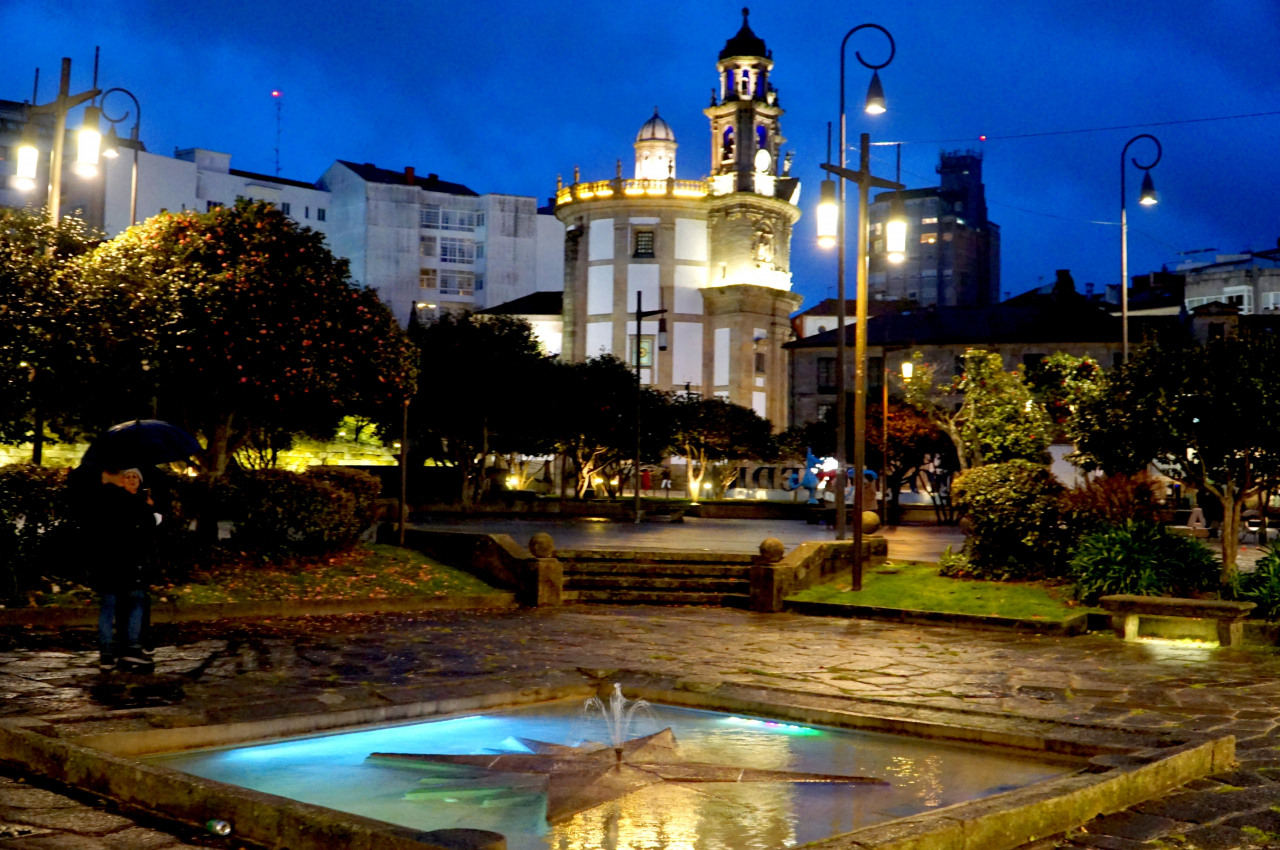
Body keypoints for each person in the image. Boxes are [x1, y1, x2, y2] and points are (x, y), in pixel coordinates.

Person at [90, 468, 159, 672]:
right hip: (119, 564)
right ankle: (122, 649)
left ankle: (115, 651)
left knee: (125, 604)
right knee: (122, 605)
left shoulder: (121, 502)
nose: (131, 480)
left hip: (121, 564)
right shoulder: (130, 504)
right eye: (128, 477)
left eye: (134, 477)